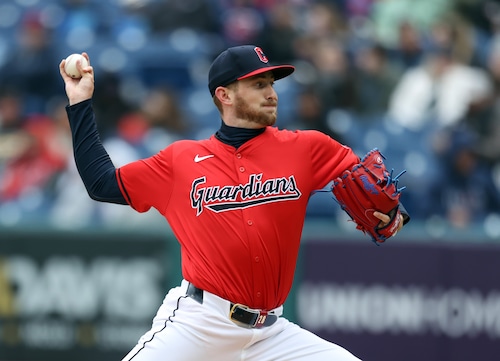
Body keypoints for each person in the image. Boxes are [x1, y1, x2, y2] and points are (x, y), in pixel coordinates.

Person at [59, 45, 409, 361]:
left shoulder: (307, 148)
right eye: (258, 85)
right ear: (224, 94)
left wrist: (396, 216)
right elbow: (102, 183)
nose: (272, 94)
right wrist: (80, 104)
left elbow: (374, 187)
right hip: (200, 323)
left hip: (271, 333)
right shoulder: (181, 160)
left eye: (271, 84)